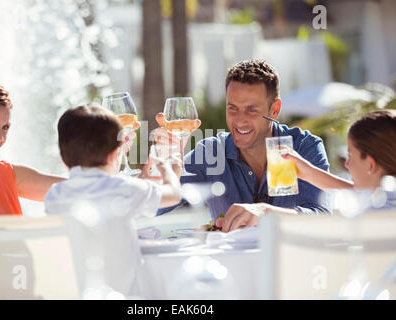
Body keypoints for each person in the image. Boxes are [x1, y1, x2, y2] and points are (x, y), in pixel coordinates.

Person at [152, 59, 331, 232]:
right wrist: (162, 164)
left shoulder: (303, 147)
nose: (239, 120)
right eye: (233, 108)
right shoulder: (210, 153)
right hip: (230, 261)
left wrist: (267, 214)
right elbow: (152, 205)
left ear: (274, 110)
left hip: (289, 261)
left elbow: (323, 219)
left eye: (251, 109)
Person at [0, 78, 139, 215]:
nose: (0, 136)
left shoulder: (6, 175)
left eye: (5, 127)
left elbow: (84, 190)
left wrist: (116, 152)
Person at [44, 105, 181, 296]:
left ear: (62, 158)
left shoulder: (55, 195)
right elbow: (174, 194)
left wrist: (114, 158)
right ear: (114, 154)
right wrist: (168, 166)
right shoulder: (124, 188)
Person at [282, 110, 396, 209]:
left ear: (371, 164)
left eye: (350, 156)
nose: (347, 164)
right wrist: (308, 173)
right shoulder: (386, 200)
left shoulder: (372, 213)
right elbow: (357, 191)